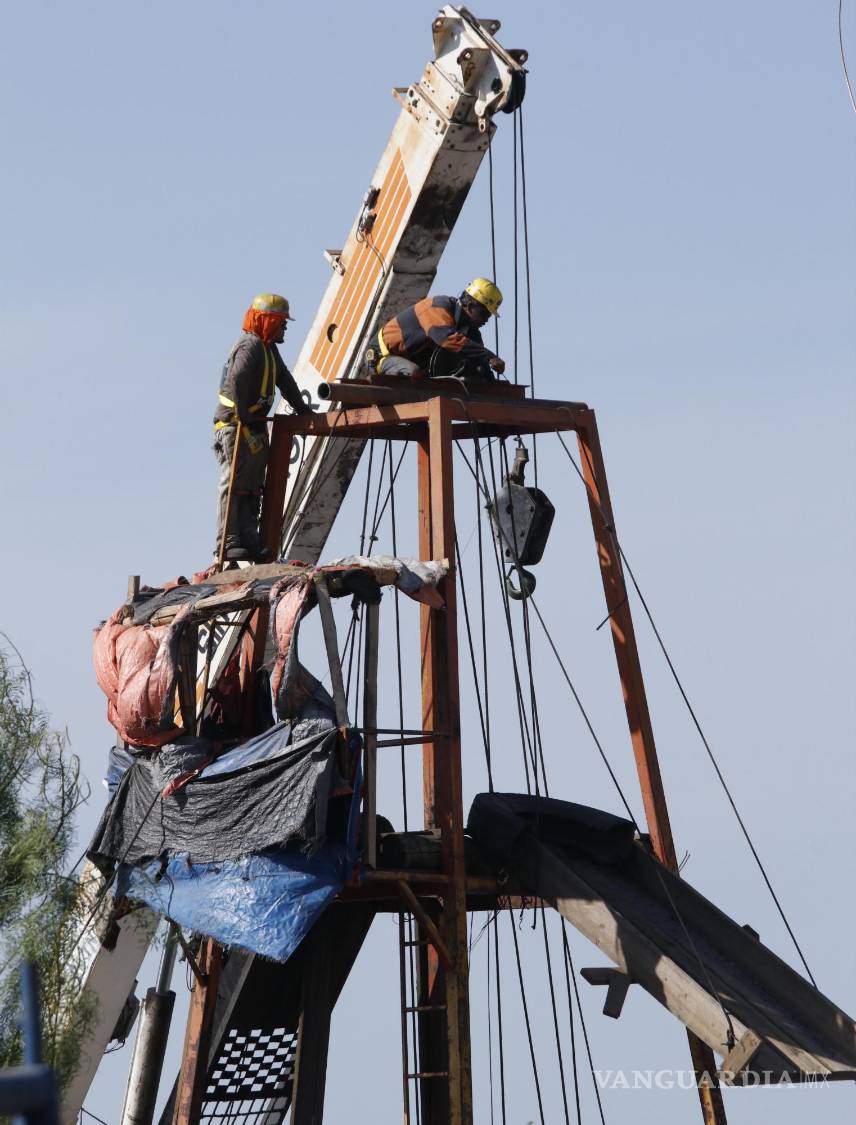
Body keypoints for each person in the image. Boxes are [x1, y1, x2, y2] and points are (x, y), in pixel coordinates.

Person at [213, 293, 311, 563]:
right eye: (282, 323)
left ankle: (248, 538)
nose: (285, 329)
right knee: (234, 484)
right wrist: (243, 414)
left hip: (251, 427)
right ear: (268, 322)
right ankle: (229, 540)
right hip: (236, 426)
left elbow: (285, 381)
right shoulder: (250, 346)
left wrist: (303, 410)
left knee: (252, 486)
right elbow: (239, 377)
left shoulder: (268, 350)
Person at [376, 278, 506, 381]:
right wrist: (489, 356)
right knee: (414, 373)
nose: (486, 320)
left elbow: (478, 359)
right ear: (471, 306)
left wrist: (491, 381)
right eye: (484, 315)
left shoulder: (470, 331)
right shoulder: (437, 307)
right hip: (385, 356)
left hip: (414, 364)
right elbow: (446, 338)